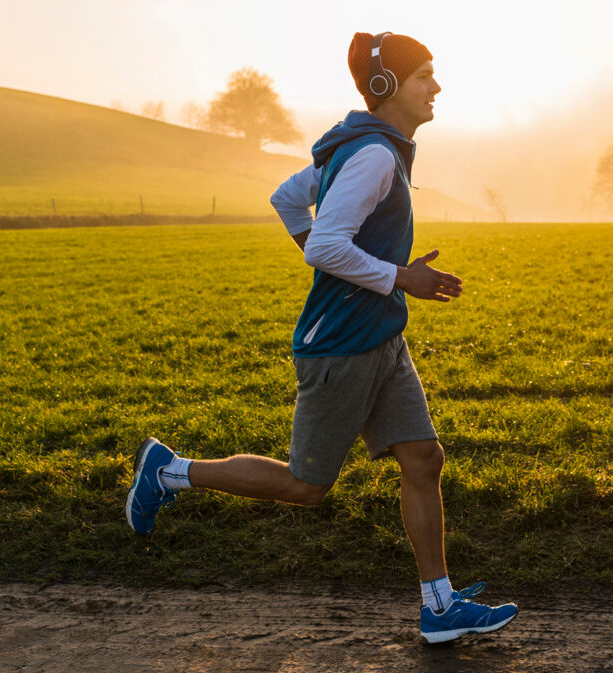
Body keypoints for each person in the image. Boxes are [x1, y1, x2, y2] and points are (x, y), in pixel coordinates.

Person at [125, 31, 517, 644]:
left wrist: (359, 270)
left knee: (423, 459)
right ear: (387, 87)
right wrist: (398, 277)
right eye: (425, 77)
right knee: (306, 485)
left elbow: (288, 200)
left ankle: (439, 607)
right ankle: (171, 472)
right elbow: (329, 245)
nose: (436, 87)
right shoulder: (373, 156)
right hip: (342, 345)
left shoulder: (364, 147)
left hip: (380, 337)